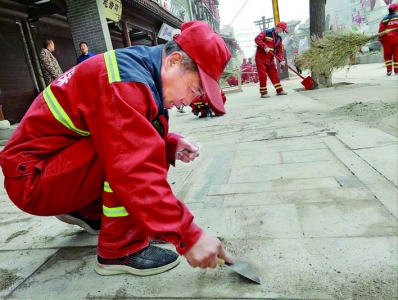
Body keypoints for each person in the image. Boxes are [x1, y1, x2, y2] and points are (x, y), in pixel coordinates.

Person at [0, 21, 233, 276]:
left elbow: (136, 134)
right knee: (130, 158)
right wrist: (190, 236)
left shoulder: (139, 69)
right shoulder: (123, 82)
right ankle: (120, 249)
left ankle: (87, 211)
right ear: (174, 61)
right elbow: (134, 169)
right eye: (193, 89)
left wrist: (168, 143)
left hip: (50, 165)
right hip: (32, 179)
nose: (187, 103)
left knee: (142, 146)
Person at [254, 22, 289, 98]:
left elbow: (279, 51)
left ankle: (279, 90)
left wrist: (281, 60)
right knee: (263, 76)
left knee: (274, 75)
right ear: (279, 27)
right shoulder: (266, 33)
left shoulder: (279, 39)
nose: (281, 32)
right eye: (282, 30)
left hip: (270, 59)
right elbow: (257, 39)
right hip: (261, 59)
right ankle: (263, 92)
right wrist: (264, 46)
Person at [378, 3, 398, 76]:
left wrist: (380, 39)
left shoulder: (383, 20)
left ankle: (389, 70)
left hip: (386, 41)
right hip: (396, 40)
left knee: (387, 55)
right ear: (396, 10)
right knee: (396, 55)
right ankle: (397, 71)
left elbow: (380, 31)